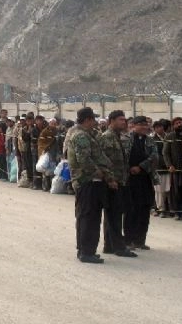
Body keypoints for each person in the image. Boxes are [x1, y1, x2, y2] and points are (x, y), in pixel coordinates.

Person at [66, 107, 114, 264]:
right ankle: (86, 252)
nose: (95, 122)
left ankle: (85, 250)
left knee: (88, 216)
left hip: (89, 181)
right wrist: (99, 172)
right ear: (87, 119)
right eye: (93, 119)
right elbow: (84, 159)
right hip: (88, 181)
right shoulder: (81, 136)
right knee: (89, 217)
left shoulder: (86, 134)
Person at [98, 110, 137, 258]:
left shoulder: (117, 137)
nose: (124, 122)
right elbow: (102, 161)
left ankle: (110, 245)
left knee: (114, 214)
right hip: (112, 182)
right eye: (120, 119)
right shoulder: (106, 138)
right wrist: (110, 179)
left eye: (124, 119)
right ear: (112, 121)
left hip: (120, 180)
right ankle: (119, 247)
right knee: (114, 215)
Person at [123, 116, 158, 250]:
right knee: (131, 210)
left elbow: (155, 156)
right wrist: (130, 168)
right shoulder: (126, 139)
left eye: (146, 125)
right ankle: (128, 240)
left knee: (144, 209)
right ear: (134, 125)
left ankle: (140, 240)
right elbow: (122, 157)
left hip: (145, 178)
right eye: (141, 125)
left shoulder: (150, 140)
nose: (144, 127)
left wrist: (141, 167)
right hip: (130, 179)